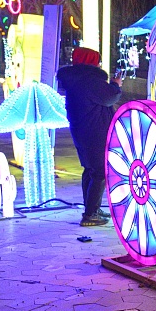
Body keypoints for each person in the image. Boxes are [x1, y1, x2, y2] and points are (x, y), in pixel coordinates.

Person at [57, 47, 122, 226]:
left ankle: (92, 208)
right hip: (95, 132)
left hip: (82, 132)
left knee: (90, 169)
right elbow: (110, 97)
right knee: (100, 171)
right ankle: (90, 214)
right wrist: (116, 84)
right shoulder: (90, 80)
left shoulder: (76, 80)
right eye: (97, 60)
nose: (99, 64)